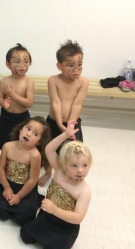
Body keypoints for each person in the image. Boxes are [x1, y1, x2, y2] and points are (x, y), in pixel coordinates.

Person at [21, 121, 92, 249]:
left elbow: (77, 218)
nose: (80, 171)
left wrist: (55, 210)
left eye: (84, 165)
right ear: (64, 164)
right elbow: (49, 149)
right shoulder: (59, 171)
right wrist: (65, 134)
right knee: (25, 236)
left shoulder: (84, 191)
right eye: (74, 166)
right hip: (47, 217)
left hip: (65, 226)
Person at [38, 40, 89, 187]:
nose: (76, 69)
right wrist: (60, 124)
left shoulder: (83, 82)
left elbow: (77, 104)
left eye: (80, 65)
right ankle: (48, 173)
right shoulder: (53, 80)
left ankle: (72, 175)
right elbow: (56, 102)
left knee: (75, 151)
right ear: (59, 66)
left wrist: (70, 125)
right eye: (70, 65)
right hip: (55, 121)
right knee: (49, 148)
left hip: (73, 123)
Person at [0, 117, 51, 226]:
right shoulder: (7, 146)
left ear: (39, 142)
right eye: (28, 129)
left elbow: (32, 180)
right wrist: (6, 187)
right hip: (9, 184)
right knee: (1, 214)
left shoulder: (34, 155)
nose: (29, 134)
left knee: (22, 219)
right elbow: (0, 168)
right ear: (20, 130)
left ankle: (35, 199)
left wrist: (19, 196)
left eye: (35, 134)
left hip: (26, 189)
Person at [0, 43, 34, 150]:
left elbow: (29, 103)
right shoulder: (4, 81)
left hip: (22, 118)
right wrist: (2, 102)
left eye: (26, 62)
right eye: (17, 61)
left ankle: (17, 162)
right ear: (8, 65)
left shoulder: (28, 82)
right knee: (4, 141)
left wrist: (13, 95)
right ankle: (3, 163)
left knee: (20, 142)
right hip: (5, 117)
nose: (22, 65)